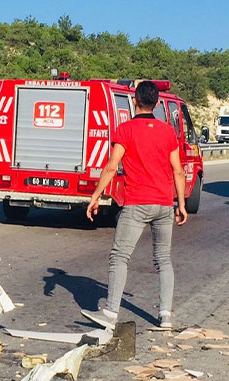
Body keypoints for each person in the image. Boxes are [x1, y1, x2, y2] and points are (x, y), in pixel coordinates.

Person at [83, 80, 187, 332]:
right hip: (164, 204)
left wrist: (96, 195)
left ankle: (110, 313)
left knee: (120, 256)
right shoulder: (167, 132)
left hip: (137, 203)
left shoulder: (125, 130)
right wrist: (181, 204)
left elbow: (111, 167)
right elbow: (178, 171)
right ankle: (165, 316)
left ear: (134, 101)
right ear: (158, 103)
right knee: (163, 260)